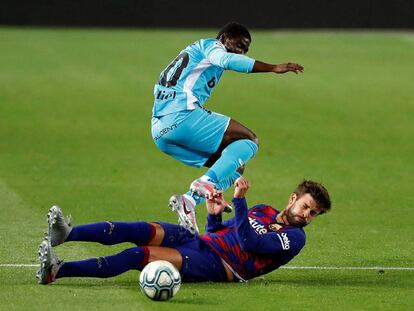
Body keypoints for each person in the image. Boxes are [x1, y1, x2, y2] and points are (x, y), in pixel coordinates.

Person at [151, 22, 304, 234]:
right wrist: (273, 68)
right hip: (182, 116)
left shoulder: (193, 56)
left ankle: (189, 200)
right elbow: (225, 59)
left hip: (160, 131)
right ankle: (204, 183)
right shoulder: (210, 46)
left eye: (245, 49)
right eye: (239, 45)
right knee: (250, 140)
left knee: (235, 168)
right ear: (224, 38)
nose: (242, 51)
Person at [37, 176, 331, 284]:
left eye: (313, 213)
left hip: (218, 265)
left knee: (139, 255)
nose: (308, 215)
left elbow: (249, 241)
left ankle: (58, 271)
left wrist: (239, 201)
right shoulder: (263, 210)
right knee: (140, 229)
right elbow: (222, 231)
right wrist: (214, 216)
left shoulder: (294, 238)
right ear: (293, 199)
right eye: (307, 207)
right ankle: (67, 234)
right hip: (201, 242)